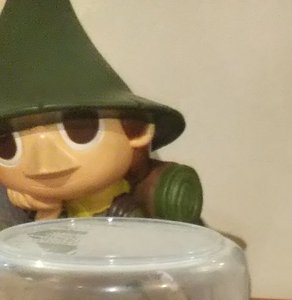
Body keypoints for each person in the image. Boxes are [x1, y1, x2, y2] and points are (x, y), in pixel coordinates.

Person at [0, 0, 202, 225]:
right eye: (7, 146)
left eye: (80, 131)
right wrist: (47, 212)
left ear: (135, 129)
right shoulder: (19, 202)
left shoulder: (126, 207)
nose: (43, 166)